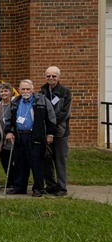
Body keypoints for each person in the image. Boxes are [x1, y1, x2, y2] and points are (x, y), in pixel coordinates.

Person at [5, 80, 57, 197]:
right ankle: (19, 187)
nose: (25, 91)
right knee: (20, 163)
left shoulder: (42, 100)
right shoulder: (15, 102)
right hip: (19, 136)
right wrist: (9, 132)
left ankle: (38, 188)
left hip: (36, 136)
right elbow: (8, 119)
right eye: (23, 89)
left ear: (32, 89)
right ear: (19, 90)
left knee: (36, 163)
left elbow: (51, 118)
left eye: (28, 89)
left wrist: (50, 134)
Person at [39, 66, 71, 196]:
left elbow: (65, 113)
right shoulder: (42, 91)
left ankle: (62, 187)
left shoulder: (65, 92)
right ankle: (51, 185)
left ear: (59, 77)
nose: (51, 78)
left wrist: (52, 123)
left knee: (60, 160)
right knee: (46, 158)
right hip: (45, 131)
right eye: (48, 76)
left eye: (54, 76)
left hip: (60, 132)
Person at [0, 83, 16, 181]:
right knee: (5, 160)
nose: (3, 93)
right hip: (3, 138)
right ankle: (10, 181)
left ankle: (18, 182)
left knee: (16, 161)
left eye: (6, 91)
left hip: (14, 136)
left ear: (11, 92)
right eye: (1, 91)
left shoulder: (16, 104)